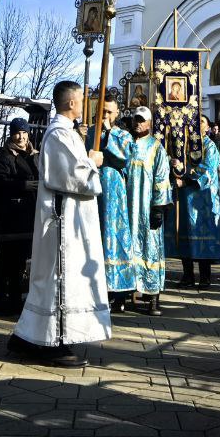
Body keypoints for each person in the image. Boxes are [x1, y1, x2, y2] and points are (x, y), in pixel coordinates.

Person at [9, 81, 110, 368]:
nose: (85, 105)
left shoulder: (67, 133)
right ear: (71, 103)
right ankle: (53, 341)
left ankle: (27, 337)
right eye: (82, 100)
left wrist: (88, 160)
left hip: (68, 219)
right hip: (62, 222)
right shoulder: (59, 134)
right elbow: (72, 176)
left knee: (52, 278)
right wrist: (93, 163)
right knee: (58, 278)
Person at [123, 106, 172, 314]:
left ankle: (153, 296)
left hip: (146, 207)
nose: (138, 123)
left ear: (149, 123)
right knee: (126, 247)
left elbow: (162, 177)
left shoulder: (156, 147)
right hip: (126, 206)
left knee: (150, 247)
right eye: (136, 119)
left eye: (142, 120)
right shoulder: (125, 143)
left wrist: (158, 207)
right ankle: (122, 294)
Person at [165, 114, 220, 289]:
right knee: (185, 235)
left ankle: (205, 276)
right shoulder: (185, 145)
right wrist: (174, 166)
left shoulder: (209, 146)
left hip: (203, 199)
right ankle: (188, 275)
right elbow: (177, 164)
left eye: (202, 122)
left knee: (203, 236)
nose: (198, 125)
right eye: (196, 122)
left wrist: (186, 181)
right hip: (185, 197)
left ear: (207, 127)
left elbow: (208, 170)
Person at [0, 116, 38, 316]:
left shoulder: (34, 155)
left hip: (28, 215)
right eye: (17, 133)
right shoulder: (4, 157)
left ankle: (16, 301)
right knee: (6, 261)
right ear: (11, 135)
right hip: (10, 216)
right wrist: (22, 185)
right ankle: (1, 302)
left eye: (24, 133)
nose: (21, 137)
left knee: (19, 263)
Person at [92, 99, 135, 313]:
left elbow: (125, 158)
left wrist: (109, 133)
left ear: (117, 113)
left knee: (114, 237)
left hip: (113, 194)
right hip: (93, 191)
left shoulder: (123, 135)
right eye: (103, 111)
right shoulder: (91, 133)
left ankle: (118, 292)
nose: (105, 115)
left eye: (109, 112)